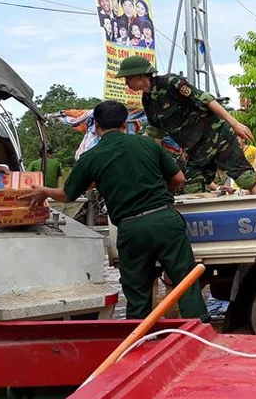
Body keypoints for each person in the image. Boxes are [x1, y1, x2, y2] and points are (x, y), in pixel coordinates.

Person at [23, 101, 208, 320]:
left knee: (137, 294)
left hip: (131, 230)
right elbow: (178, 179)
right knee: (186, 283)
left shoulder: (91, 157)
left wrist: (44, 190)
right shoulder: (148, 145)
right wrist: (158, 194)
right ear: (125, 122)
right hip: (165, 220)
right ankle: (199, 336)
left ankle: (138, 343)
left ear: (96, 125)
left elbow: (67, 195)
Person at [116, 55, 256, 194]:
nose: (126, 83)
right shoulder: (147, 101)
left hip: (217, 138)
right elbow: (155, 133)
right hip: (195, 151)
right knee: (192, 188)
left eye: (128, 78)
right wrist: (142, 154)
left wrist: (235, 124)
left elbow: (206, 100)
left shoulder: (171, 82)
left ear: (141, 76)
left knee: (246, 179)